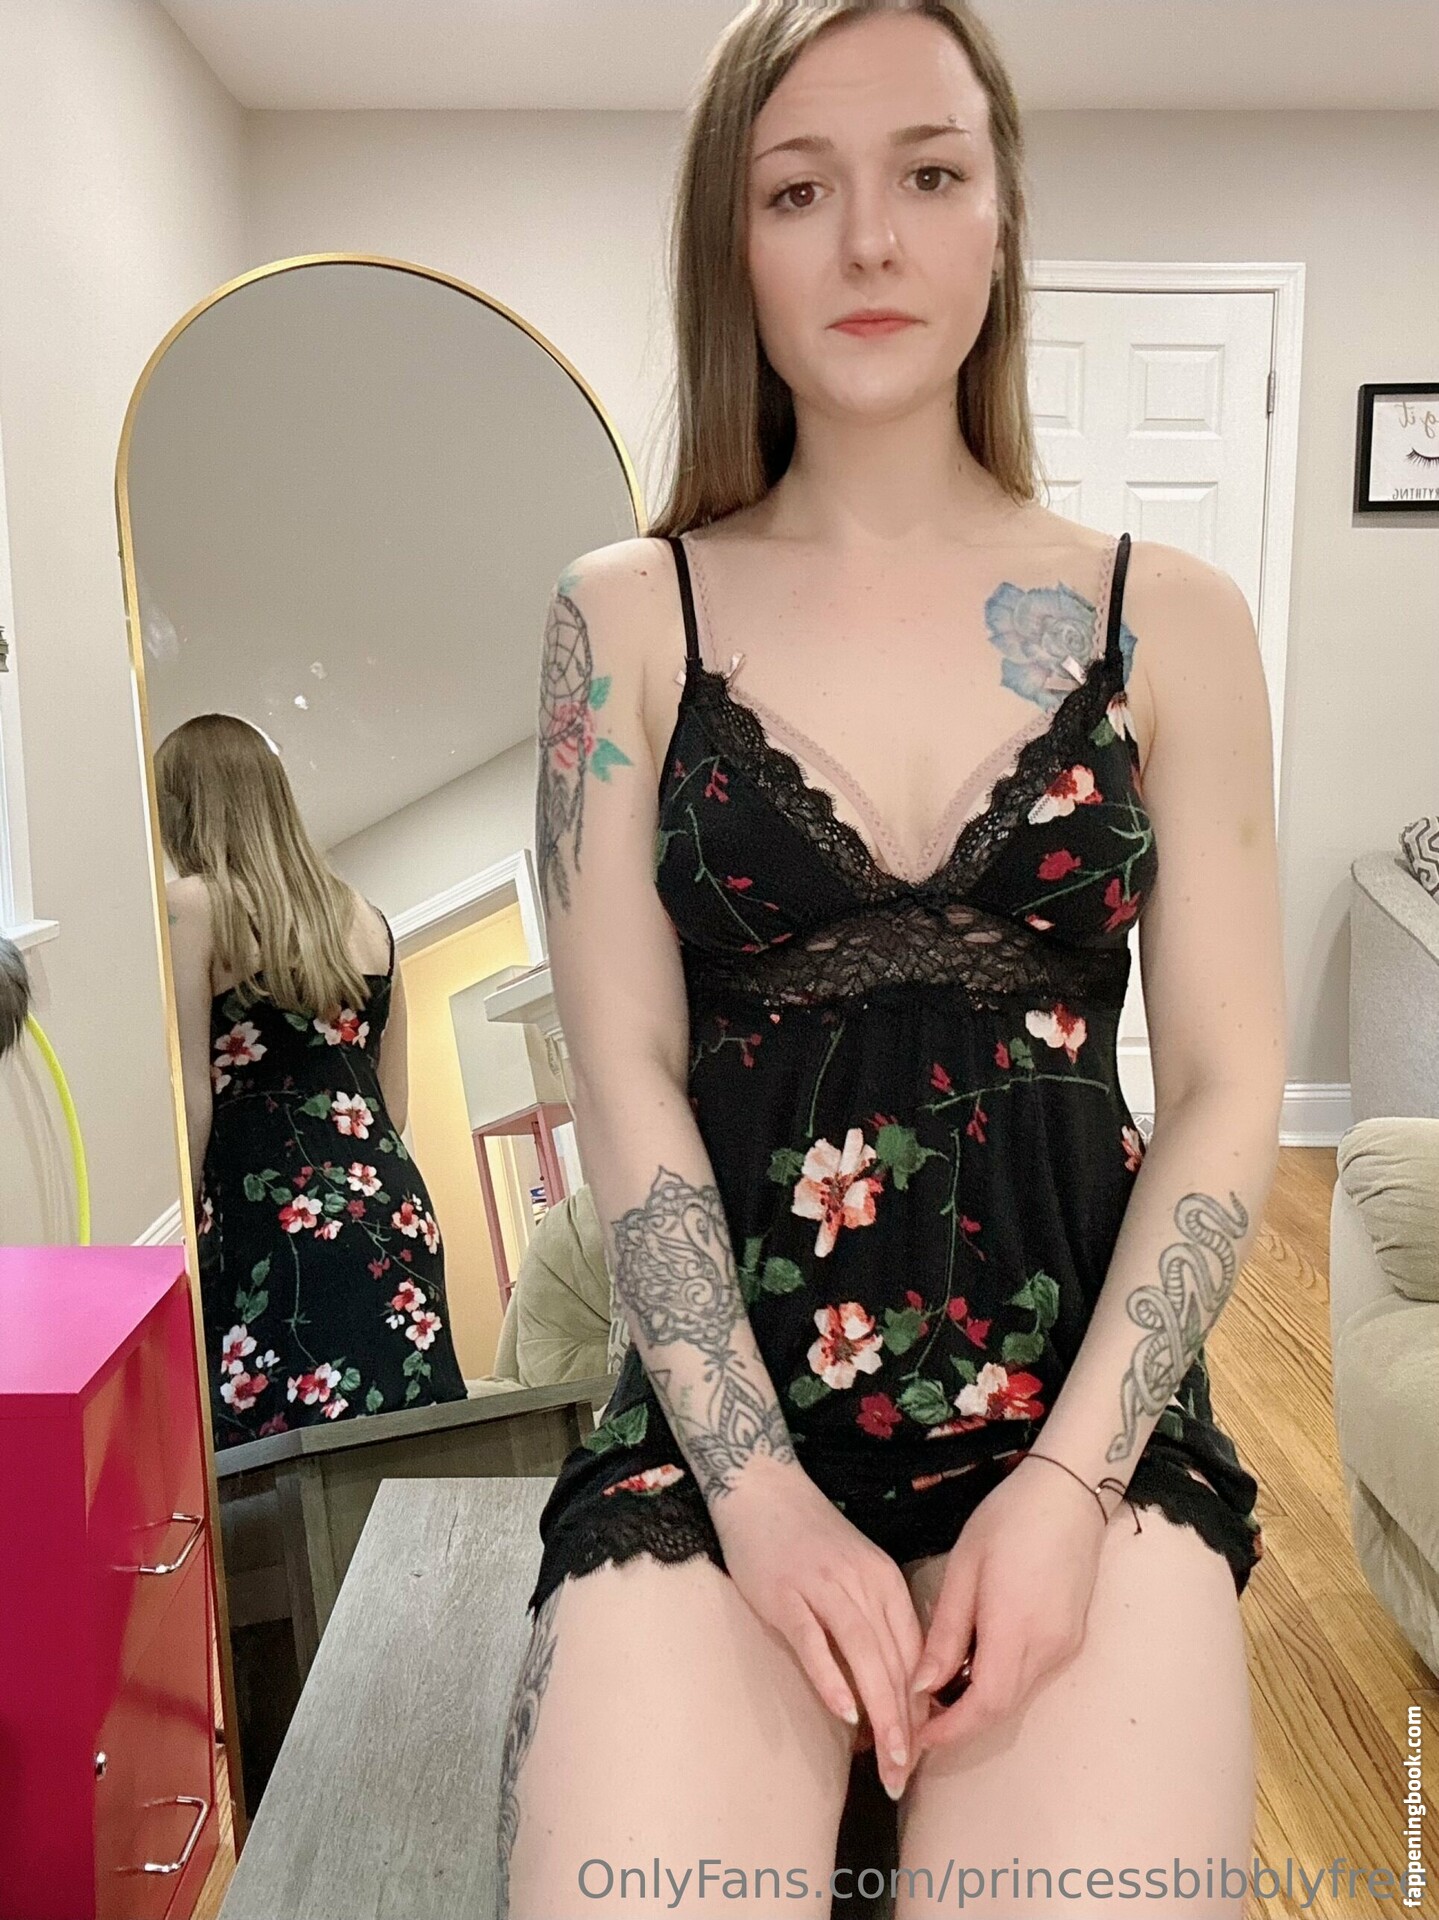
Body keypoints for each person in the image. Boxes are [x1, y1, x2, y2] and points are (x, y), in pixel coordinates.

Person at [503, 3, 1285, 1914]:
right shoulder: (624, 623)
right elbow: (621, 1069)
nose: (868, 238)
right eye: (796, 189)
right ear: (729, 240)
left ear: (996, 213)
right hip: (721, 1427)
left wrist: (1069, 1488)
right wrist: (754, 1492)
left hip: (1079, 1411)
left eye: (926, 174)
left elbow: (1223, 1085)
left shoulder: (1170, 623)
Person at [158, 712, 468, 1449]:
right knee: (410, 1453)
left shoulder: (190, 907)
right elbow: (391, 1106)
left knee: (276, 1477)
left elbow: (190, 1101)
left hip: (268, 1221)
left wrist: (171, 1245)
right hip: (389, 1211)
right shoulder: (371, 922)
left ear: (183, 807)